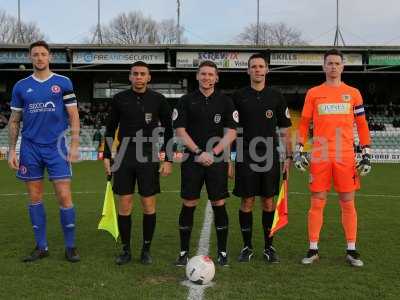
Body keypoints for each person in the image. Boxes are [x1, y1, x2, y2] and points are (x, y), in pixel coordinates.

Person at [295, 49, 371, 267]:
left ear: (342, 67)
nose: (333, 67)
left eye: (337, 63)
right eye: (329, 63)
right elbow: (304, 123)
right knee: (317, 202)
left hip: (345, 155)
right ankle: (313, 249)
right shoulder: (314, 93)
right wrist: (299, 149)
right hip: (320, 154)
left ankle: (351, 250)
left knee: (348, 202)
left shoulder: (354, 93)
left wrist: (366, 153)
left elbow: (362, 124)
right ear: (323, 66)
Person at [8, 40, 81, 262]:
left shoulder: (63, 82)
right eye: (35, 54)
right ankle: (42, 247)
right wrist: (12, 150)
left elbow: (74, 115)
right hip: (30, 147)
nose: (39, 57)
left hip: (57, 147)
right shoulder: (21, 86)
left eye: (43, 54)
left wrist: (75, 144)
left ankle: (70, 247)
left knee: (64, 196)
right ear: (30, 58)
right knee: (35, 196)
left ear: (50, 57)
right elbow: (14, 120)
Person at [103, 61, 173, 265]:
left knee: (148, 203)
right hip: (124, 155)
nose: (139, 77)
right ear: (130, 76)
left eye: (143, 74)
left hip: (148, 154)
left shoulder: (159, 100)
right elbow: (110, 129)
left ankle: (146, 249)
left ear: (149, 77)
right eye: (136, 74)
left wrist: (167, 158)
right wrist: (107, 155)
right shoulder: (119, 99)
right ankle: (126, 250)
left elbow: (169, 131)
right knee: (124, 204)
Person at [173, 60, 237, 266]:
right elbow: (180, 131)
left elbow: (231, 132)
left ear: (216, 78)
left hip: (216, 160)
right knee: (189, 203)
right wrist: (199, 152)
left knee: (219, 203)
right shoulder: (185, 100)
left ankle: (223, 253)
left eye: (211, 74)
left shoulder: (226, 102)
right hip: (192, 159)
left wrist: (215, 152)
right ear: (197, 76)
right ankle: (183, 253)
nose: (207, 77)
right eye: (203, 74)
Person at [232, 53, 292, 263]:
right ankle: (247, 246)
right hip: (245, 155)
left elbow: (284, 129)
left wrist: (288, 156)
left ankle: (269, 247)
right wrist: (230, 158)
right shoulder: (238, 96)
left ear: (266, 70)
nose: (257, 70)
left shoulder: (276, 96)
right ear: (248, 70)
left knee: (268, 201)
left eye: (260, 66)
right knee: (246, 200)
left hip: (269, 155)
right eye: (253, 67)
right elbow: (231, 130)